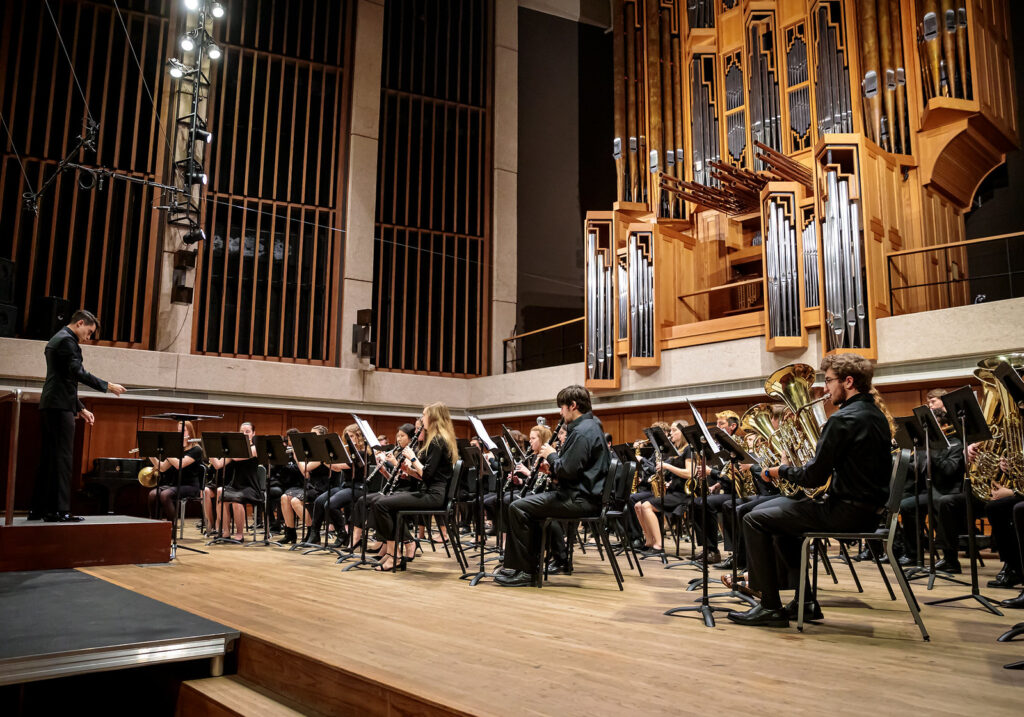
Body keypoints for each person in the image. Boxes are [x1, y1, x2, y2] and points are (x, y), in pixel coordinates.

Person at [728, 354, 892, 627]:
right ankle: (805, 602)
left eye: (828, 381)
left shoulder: (843, 420)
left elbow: (814, 476)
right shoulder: (875, 414)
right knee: (776, 517)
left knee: (753, 518)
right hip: (866, 510)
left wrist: (779, 471)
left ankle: (769, 606)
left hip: (845, 512)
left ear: (848, 382)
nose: (825, 389)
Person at [496, 385, 609, 587]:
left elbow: (567, 470)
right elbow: (574, 470)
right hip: (581, 495)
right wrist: (552, 471)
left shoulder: (582, 432)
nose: (560, 412)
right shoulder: (591, 426)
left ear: (573, 406)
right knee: (526, 506)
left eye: (562, 407)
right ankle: (528, 566)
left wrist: (552, 455)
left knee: (518, 507)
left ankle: (526, 571)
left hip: (579, 500)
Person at [29, 309, 126, 522]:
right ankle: (60, 510)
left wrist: (80, 408)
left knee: (48, 459)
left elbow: (63, 379)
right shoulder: (68, 341)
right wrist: (107, 385)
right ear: (80, 323)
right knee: (62, 459)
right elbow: (76, 372)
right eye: (89, 332)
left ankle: (39, 509)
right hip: (60, 406)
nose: (88, 338)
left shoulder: (58, 338)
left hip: (52, 403)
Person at [371, 405, 457, 572]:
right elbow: (425, 475)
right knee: (382, 502)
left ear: (433, 418)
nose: (421, 418)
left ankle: (393, 555)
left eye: (424, 415)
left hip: (434, 496)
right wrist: (408, 469)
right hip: (430, 491)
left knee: (382, 504)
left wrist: (413, 458)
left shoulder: (438, 441)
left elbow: (428, 475)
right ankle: (392, 553)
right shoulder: (437, 440)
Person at [634, 420, 694, 556]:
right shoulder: (676, 450)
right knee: (638, 505)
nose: (671, 433)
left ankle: (659, 545)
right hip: (672, 490)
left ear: (683, 432)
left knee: (646, 506)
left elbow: (689, 473)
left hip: (682, 494)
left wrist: (667, 467)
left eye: (674, 430)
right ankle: (649, 542)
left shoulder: (688, 449)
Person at [211, 422, 262, 543]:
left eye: (247, 432)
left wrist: (228, 448)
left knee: (236, 499)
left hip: (250, 486)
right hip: (236, 484)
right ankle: (226, 531)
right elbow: (218, 465)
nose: (244, 434)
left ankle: (240, 533)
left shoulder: (255, 448)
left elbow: (238, 457)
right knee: (220, 491)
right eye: (241, 432)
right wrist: (212, 450)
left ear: (253, 434)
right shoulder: (234, 450)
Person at [146, 421, 204, 523]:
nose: (180, 433)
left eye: (183, 430)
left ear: (190, 432)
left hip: (190, 485)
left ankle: (171, 528)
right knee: (153, 494)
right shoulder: (175, 448)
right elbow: (162, 467)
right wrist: (150, 453)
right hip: (174, 484)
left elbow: (179, 465)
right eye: (178, 430)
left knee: (165, 495)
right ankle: (154, 524)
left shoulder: (196, 449)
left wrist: (166, 451)